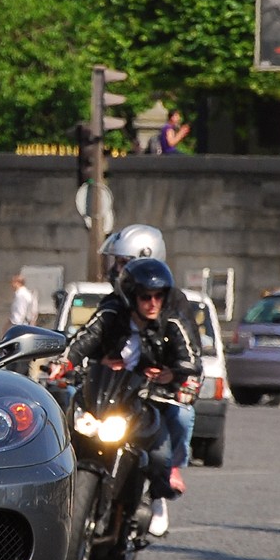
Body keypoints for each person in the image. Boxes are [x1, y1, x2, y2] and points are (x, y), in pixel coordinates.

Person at [48, 258, 201, 537]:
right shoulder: (111, 313)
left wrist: (179, 377)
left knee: (160, 452)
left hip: (147, 399)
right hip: (107, 393)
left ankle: (156, 495)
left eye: (159, 296)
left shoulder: (172, 322)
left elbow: (190, 358)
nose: (153, 303)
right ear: (131, 296)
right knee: (65, 421)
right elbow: (86, 337)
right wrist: (64, 363)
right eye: (145, 296)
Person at [99, 224, 200, 484]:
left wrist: (175, 377)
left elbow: (190, 355)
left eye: (123, 263)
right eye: (117, 262)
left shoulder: (175, 305)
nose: (115, 270)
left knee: (183, 415)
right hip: (117, 390)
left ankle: (168, 471)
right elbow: (93, 340)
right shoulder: (112, 304)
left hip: (158, 393)